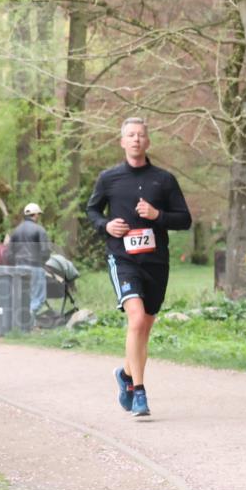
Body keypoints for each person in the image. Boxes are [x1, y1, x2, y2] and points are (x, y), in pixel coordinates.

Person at [86, 117, 192, 416]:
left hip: (156, 262)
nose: (135, 139)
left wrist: (157, 214)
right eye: (130, 135)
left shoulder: (164, 180)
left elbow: (184, 219)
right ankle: (140, 392)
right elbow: (92, 210)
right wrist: (106, 226)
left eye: (141, 135)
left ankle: (127, 376)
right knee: (135, 319)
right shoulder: (109, 178)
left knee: (144, 326)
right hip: (122, 259)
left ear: (147, 142)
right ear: (122, 142)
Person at [7, 202, 51, 316]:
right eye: (38, 215)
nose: (39, 217)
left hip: (18, 267)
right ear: (35, 215)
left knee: (22, 297)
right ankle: (29, 318)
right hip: (35, 266)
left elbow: (9, 253)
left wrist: (14, 265)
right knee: (38, 298)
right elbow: (46, 250)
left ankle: (20, 322)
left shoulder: (16, 231)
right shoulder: (39, 230)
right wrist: (42, 262)